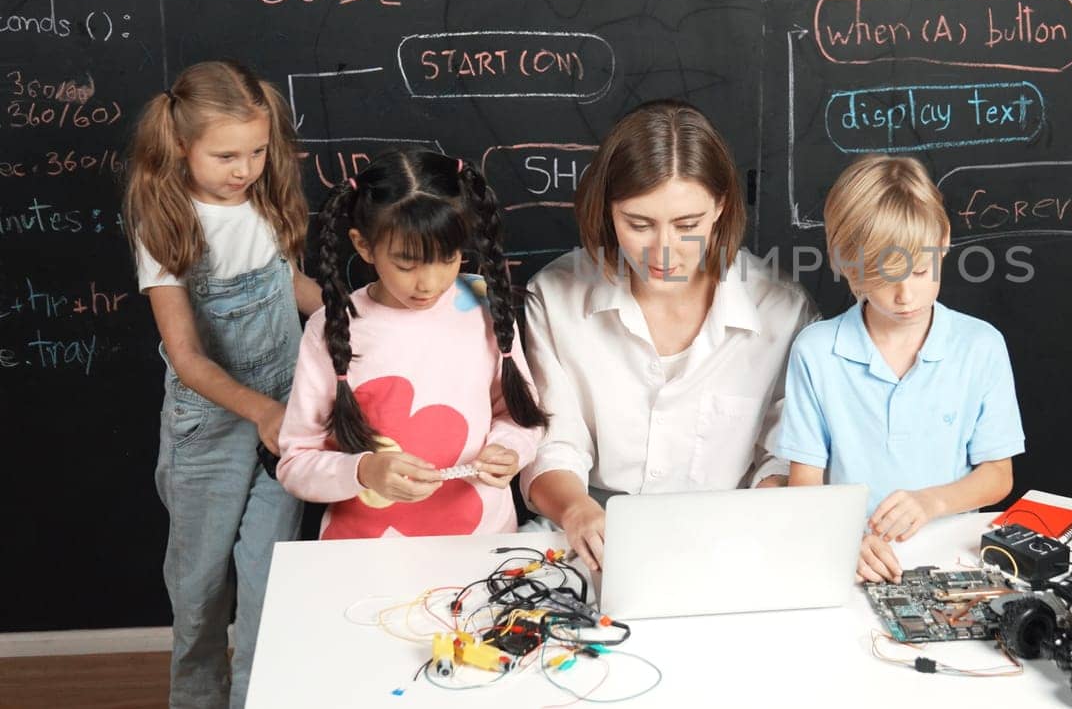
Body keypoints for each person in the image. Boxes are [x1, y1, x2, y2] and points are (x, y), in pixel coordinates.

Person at [520, 99, 816, 571]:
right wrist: (577, 510)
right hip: (589, 529)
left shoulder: (780, 308)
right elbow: (555, 444)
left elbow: (780, 457)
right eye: (639, 224)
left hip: (731, 533)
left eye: (687, 225)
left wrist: (762, 522)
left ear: (720, 206)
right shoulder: (555, 297)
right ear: (608, 211)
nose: (665, 250)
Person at [124, 60, 317, 709]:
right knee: (201, 595)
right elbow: (186, 357)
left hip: (284, 415)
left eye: (259, 152)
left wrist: (360, 309)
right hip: (209, 432)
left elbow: (289, 287)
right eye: (226, 155)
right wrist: (261, 411)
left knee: (269, 583)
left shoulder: (263, 202)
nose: (246, 169)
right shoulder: (168, 224)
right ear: (182, 146)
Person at [777, 154, 1025, 583]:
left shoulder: (980, 346)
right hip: (850, 560)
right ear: (847, 263)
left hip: (955, 562)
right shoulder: (816, 352)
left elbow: (998, 475)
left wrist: (931, 502)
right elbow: (805, 483)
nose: (906, 295)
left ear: (943, 239)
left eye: (922, 270)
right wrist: (844, 539)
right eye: (884, 276)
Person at [276, 148, 546, 539]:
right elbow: (296, 463)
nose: (429, 283)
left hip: (481, 544)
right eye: (407, 264)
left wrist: (511, 450)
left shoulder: (478, 304)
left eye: (448, 258)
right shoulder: (334, 326)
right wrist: (364, 471)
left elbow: (519, 414)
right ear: (364, 246)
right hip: (364, 553)